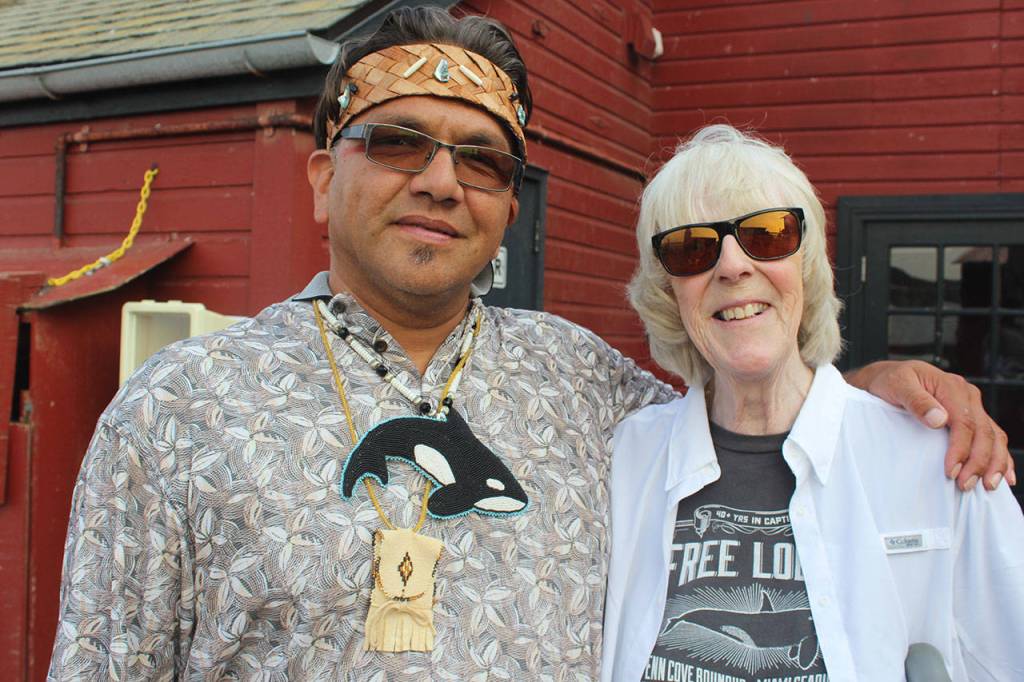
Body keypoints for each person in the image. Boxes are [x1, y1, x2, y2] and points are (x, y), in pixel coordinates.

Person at [47, 8, 1012, 681]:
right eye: (398, 143)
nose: (440, 181)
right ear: (321, 179)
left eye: (481, 160)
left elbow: (751, 400)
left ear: (509, 207)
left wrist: (880, 387)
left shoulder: (581, 385)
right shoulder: (177, 411)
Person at [602, 125, 1024, 682]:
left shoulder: (940, 461)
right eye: (692, 248)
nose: (732, 266)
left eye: (767, 235)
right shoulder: (624, 458)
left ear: (805, 266)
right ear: (668, 293)